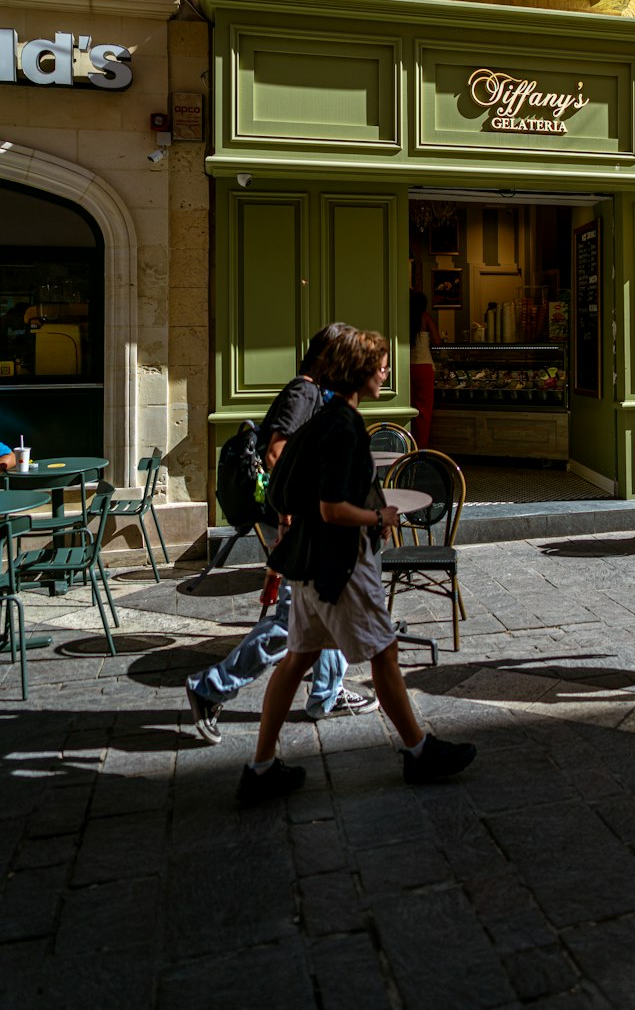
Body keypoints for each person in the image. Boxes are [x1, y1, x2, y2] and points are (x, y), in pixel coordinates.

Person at [237, 325, 476, 803]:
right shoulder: (343, 426)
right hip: (338, 565)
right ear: (358, 372)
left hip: (307, 562)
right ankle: (418, 751)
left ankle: (260, 768)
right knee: (385, 651)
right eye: (379, 364)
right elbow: (331, 509)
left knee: (295, 661)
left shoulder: (324, 419)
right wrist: (379, 515)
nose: (386, 371)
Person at [186, 325, 376, 744]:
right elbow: (277, 454)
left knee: (321, 608)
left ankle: (326, 695)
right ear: (330, 360)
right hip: (297, 523)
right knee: (292, 623)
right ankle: (210, 687)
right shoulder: (303, 392)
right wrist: (290, 519)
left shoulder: (313, 395)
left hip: (302, 523)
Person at [409, 289, 441, 449]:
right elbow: (437, 341)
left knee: (410, 408)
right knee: (424, 410)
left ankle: (409, 445)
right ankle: (421, 447)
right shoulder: (425, 317)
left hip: (407, 368)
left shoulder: (404, 317)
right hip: (424, 367)